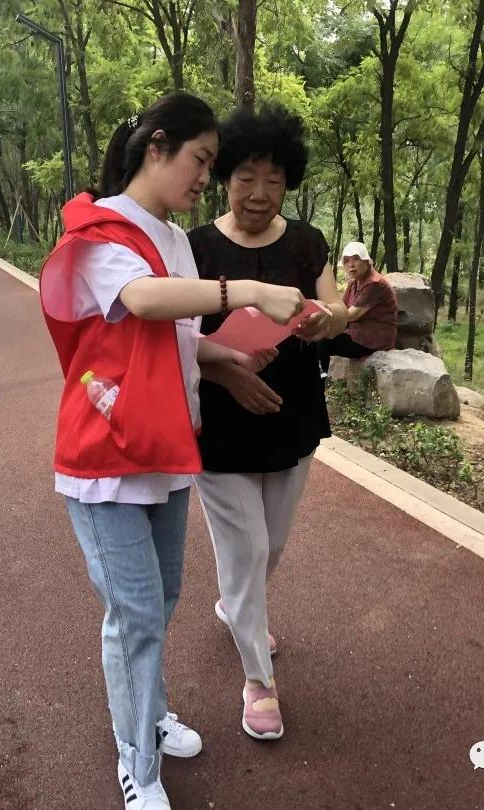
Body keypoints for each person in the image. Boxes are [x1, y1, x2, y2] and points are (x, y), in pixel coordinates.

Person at [39, 92, 305, 810]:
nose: (205, 178)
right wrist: (247, 290)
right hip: (105, 456)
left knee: (161, 600)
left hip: (163, 445)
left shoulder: (176, 241)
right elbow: (144, 300)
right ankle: (138, 763)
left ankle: (149, 713)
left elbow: (178, 336)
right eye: (201, 160)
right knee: (134, 614)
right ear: (157, 147)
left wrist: (229, 357)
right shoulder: (100, 230)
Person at [188, 104, 348, 742]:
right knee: (248, 547)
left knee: (271, 545)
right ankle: (258, 681)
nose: (259, 193)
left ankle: (236, 605)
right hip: (218, 421)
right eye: (246, 177)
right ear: (225, 176)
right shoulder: (195, 248)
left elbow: (338, 310)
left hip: (292, 414)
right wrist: (224, 370)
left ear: (289, 182)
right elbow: (171, 340)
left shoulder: (306, 242)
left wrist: (327, 320)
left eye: (274, 180)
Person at [317, 241, 399, 375]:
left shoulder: (375, 284)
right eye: (346, 261)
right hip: (357, 334)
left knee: (325, 340)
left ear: (367, 261)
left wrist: (323, 313)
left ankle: (320, 376)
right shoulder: (354, 283)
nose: (351, 264)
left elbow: (350, 315)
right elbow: (342, 308)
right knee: (319, 336)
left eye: (356, 258)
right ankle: (319, 374)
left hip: (373, 340)